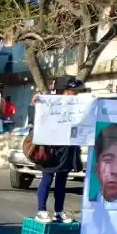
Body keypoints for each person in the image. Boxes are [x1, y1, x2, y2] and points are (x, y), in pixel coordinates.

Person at [30, 76, 87, 223]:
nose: (76, 94)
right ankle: (41, 210)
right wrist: (37, 100)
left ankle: (58, 211)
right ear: (66, 91)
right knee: (47, 178)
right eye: (73, 91)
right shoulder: (51, 101)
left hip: (68, 147)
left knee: (62, 181)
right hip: (51, 148)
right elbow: (39, 108)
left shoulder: (78, 105)